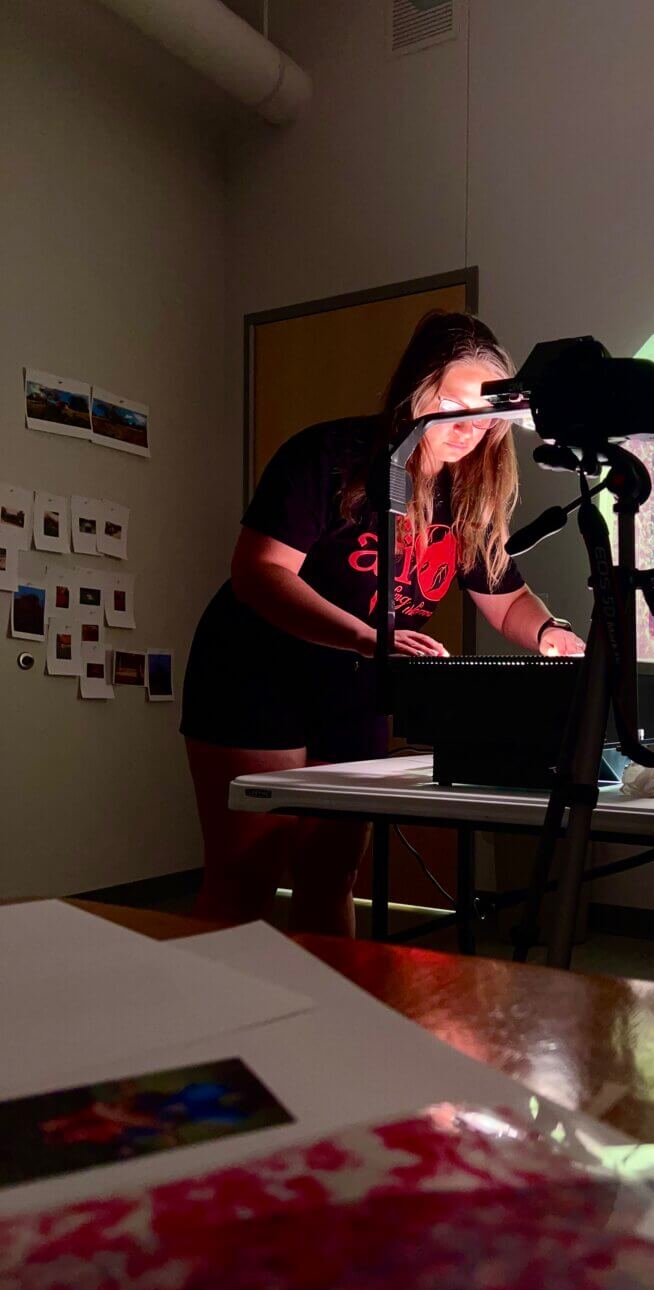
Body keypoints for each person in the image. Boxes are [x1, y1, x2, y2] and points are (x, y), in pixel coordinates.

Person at [181, 311, 585, 932]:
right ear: (415, 389)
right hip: (257, 670)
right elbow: (259, 572)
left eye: (486, 413)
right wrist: (367, 637)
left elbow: (504, 597)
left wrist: (548, 632)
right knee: (247, 875)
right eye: (452, 403)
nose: (468, 427)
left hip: (359, 685)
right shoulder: (331, 456)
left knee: (333, 872)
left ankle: (328, 1020)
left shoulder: (470, 490)